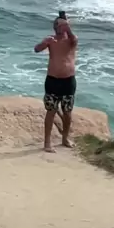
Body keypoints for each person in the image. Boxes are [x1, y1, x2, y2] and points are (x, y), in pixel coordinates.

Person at [34, 11, 78, 153]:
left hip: (68, 81)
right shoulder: (51, 40)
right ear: (54, 27)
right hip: (52, 81)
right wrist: (44, 42)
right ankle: (47, 143)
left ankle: (65, 138)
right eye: (58, 25)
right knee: (51, 111)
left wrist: (67, 28)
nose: (61, 27)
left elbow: (73, 39)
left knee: (67, 112)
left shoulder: (71, 40)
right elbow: (36, 49)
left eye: (63, 25)